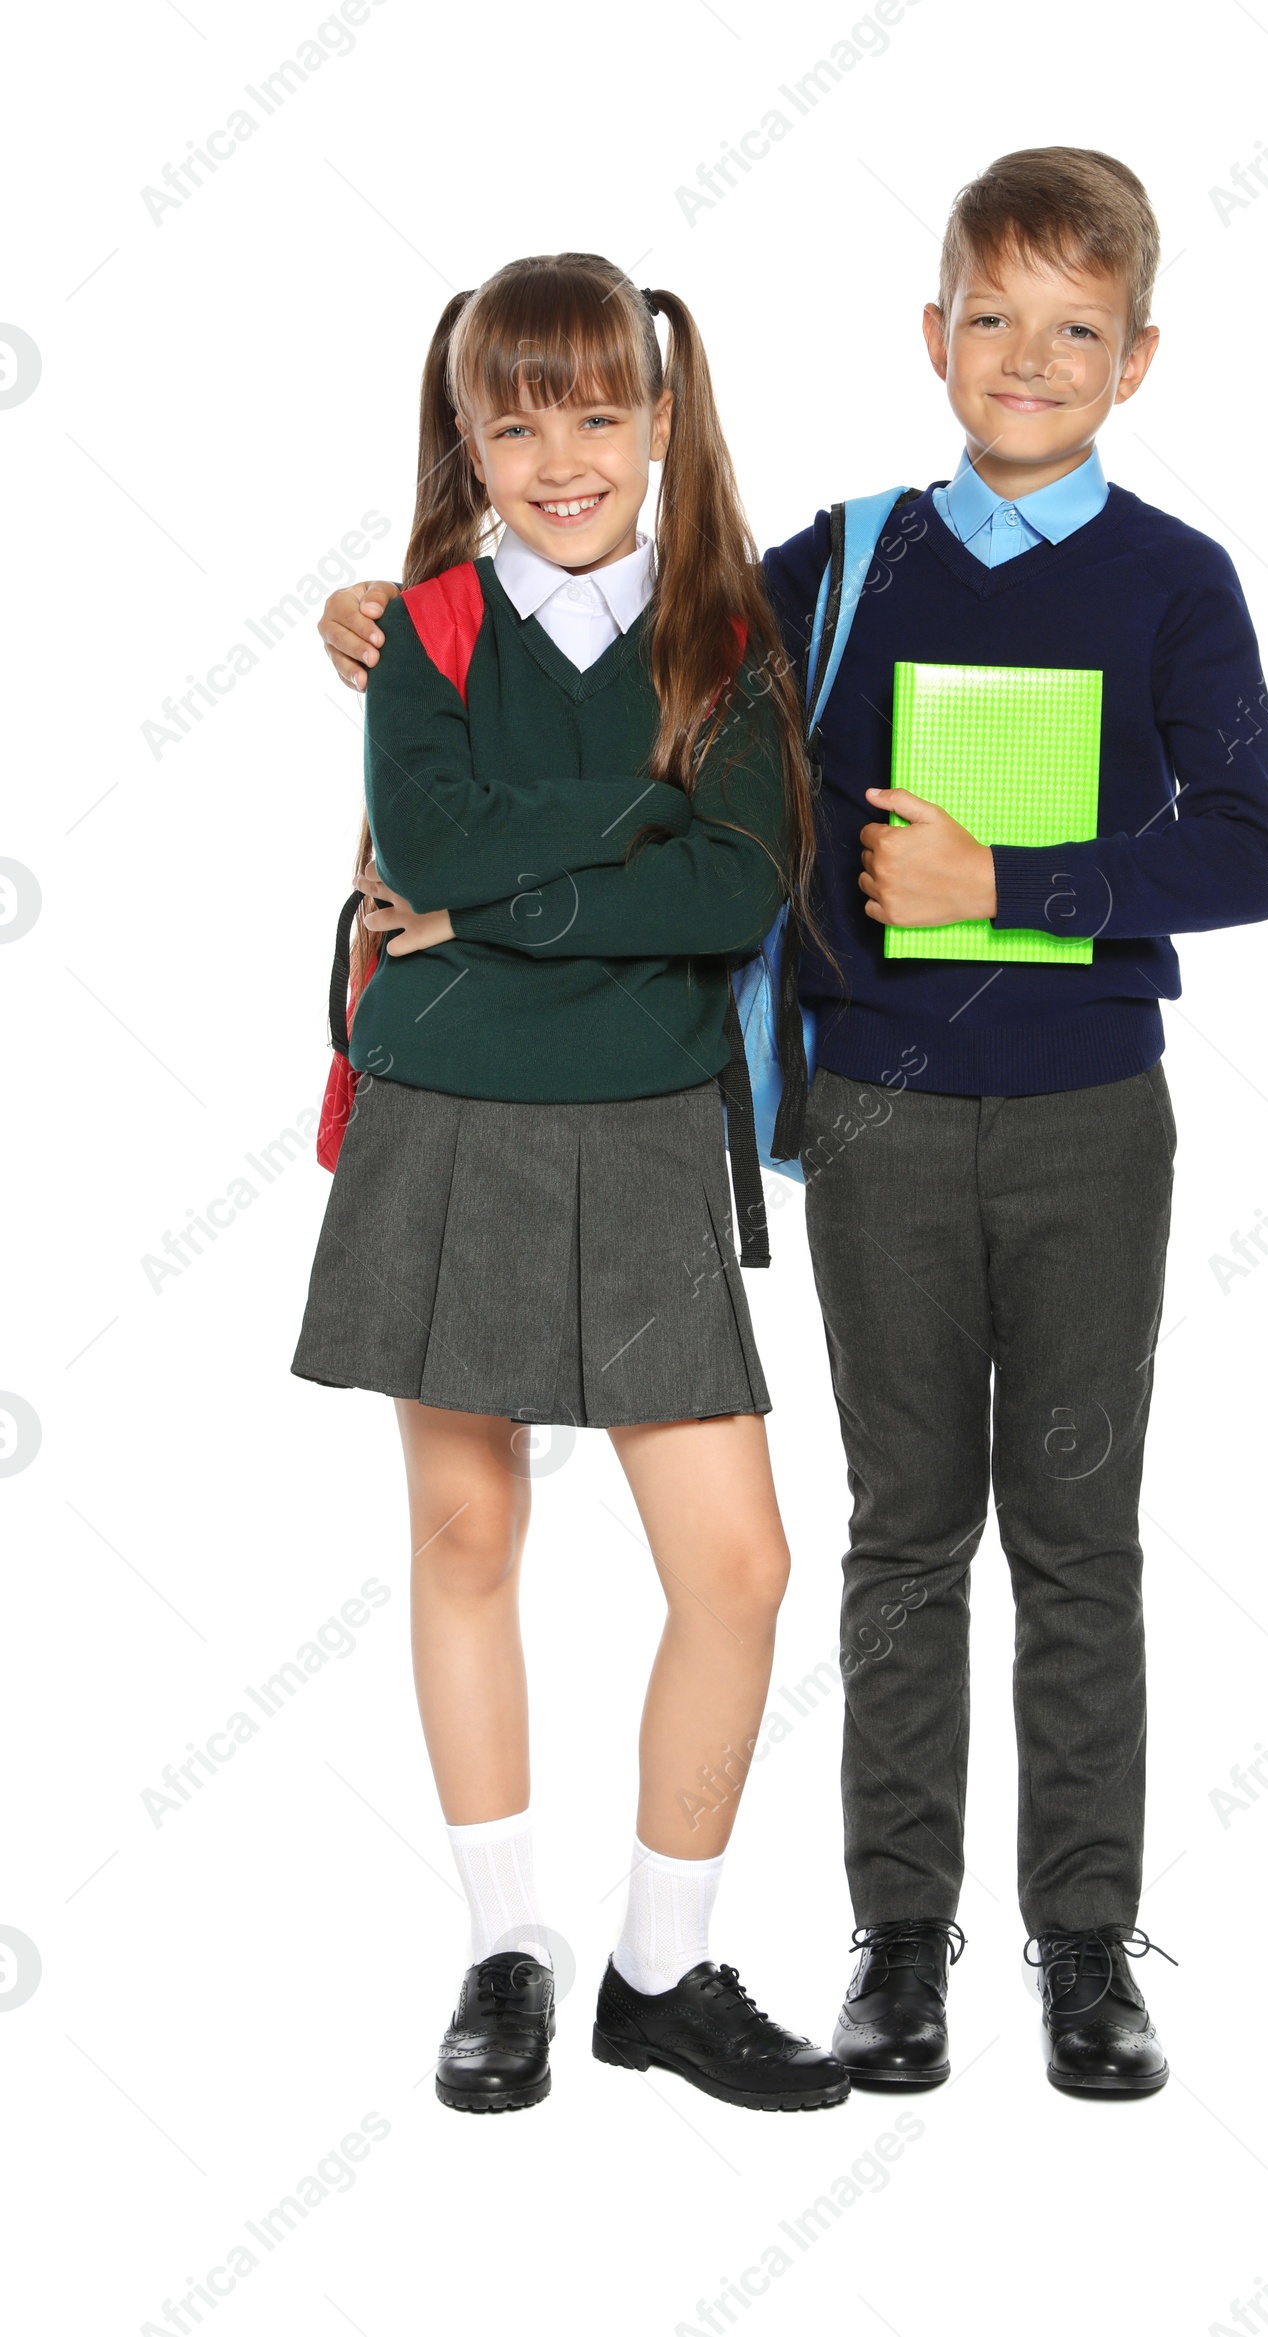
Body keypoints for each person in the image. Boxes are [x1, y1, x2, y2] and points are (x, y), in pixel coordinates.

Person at [317, 151, 1268, 2099]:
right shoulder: (830, 566)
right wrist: (387, 610)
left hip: (1071, 1101)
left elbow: (1226, 850)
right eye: (989, 322)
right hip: (852, 1108)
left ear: (1138, 353)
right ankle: (881, 1950)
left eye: (1073, 329)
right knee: (885, 1535)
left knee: (1035, 1538)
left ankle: (1075, 1943)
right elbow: (553, 704)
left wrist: (1005, 872)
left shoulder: (1152, 578)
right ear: (931, 338)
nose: (1025, 359)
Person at [294, 251, 847, 2115]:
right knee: (468, 1538)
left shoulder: (728, 640)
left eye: (597, 412)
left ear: (662, 421)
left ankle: (660, 1965)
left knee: (742, 1567)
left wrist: (508, 902)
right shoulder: (422, 627)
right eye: (512, 418)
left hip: (646, 1120)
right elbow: (436, 834)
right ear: (464, 434)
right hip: (445, 1105)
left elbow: (734, 886)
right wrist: (633, 848)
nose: (558, 455)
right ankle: (501, 1946)